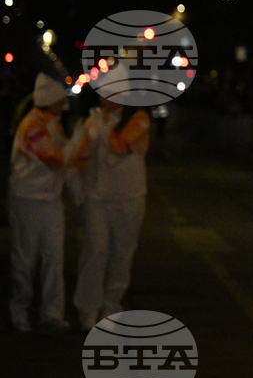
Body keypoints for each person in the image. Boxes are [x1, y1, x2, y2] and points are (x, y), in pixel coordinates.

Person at [8, 73, 85, 333]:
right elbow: (57, 160)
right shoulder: (32, 127)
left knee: (54, 259)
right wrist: (78, 139)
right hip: (27, 202)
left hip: (50, 203)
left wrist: (78, 192)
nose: (63, 105)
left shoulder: (53, 124)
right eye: (59, 101)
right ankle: (19, 314)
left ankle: (52, 315)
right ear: (50, 101)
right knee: (25, 259)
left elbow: (67, 162)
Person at [72, 96, 151, 331]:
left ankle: (111, 306)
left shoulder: (139, 118)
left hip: (130, 197)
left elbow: (118, 146)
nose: (103, 98)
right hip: (97, 197)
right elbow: (81, 155)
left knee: (122, 253)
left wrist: (100, 127)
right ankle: (88, 309)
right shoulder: (92, 121)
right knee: (95, 251)